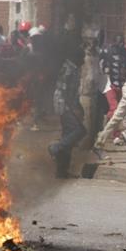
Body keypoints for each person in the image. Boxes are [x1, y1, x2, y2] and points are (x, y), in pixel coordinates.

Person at [48, 45, 86, 178]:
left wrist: (77, 105)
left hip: (68, 104)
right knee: (79, 131)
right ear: (76, 56)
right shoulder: (68, 68)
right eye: (82, 57)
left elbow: (73, 91)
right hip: (63, 105)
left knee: (68, 137)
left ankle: (61, 171)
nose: (84, 60)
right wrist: (68, 106)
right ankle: (56, 147)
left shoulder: (75, 68)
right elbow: (61, 89)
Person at [101, 34, 126, 120]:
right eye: (118, 42)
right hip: (109, 85)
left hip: (122, 85)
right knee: (114, 108)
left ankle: (111, 129)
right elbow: (101, 66)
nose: (120, 44)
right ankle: (110, 130)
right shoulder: (107, 52)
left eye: (122, 42)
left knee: (120, 110)